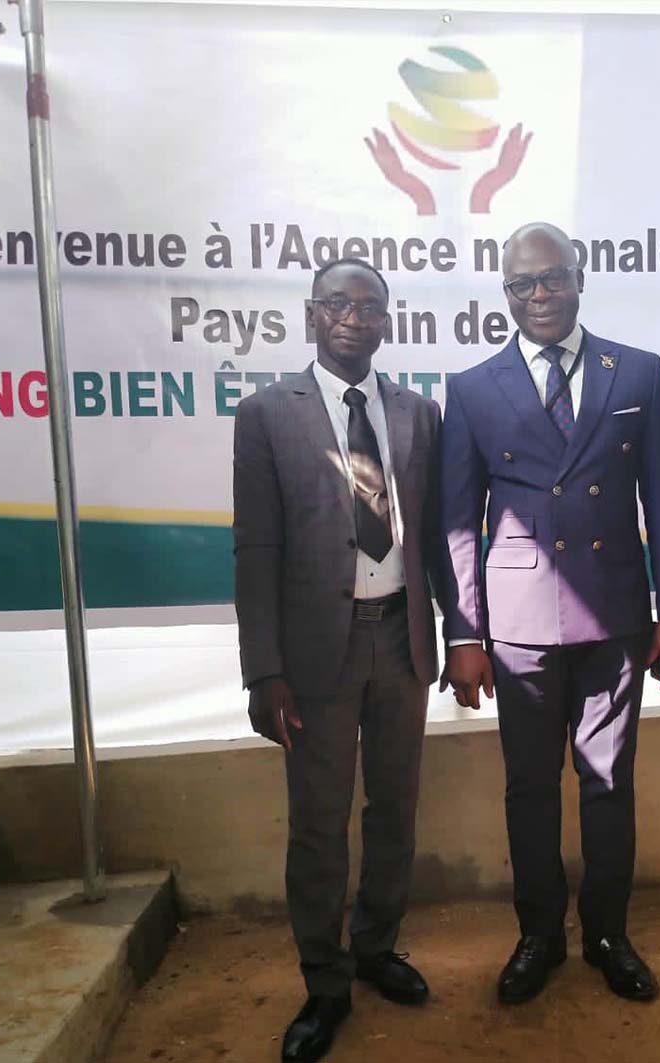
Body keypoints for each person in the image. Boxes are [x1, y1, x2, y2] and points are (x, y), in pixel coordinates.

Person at [440, 222, 660, 1005]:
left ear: (579, 279)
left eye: (552, 277)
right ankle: (539, 936)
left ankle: (608, 933)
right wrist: (463, 631)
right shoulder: (472, 388)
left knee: (608, 781)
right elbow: (458, 521)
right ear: (504, 294)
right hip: (517, 623)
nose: (539, 295)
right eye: (522, 284)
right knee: (529, 786)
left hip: (614, 616)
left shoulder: (636, 371)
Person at [233, 258, 442, 1063]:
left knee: (394, 807)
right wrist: (263, 670)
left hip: (401, 638)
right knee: (319, 822)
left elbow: (438, 534)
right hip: (317, 650)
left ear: (387, 319)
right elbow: (255, 548)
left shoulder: (418, 413)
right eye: (338, 304)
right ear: (311, 315)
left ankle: (376, 946)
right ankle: (324, 982)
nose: (354, 317)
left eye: (369, 306)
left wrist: (460, 633)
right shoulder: (266, 414)